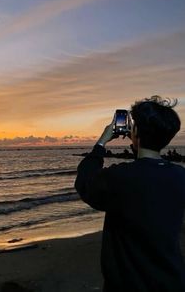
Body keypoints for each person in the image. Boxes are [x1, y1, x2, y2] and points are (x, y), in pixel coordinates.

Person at [75, 95, 185, 292]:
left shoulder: (120, 178)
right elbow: (149, 174)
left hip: (128, 283)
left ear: (134, 131)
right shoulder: (180, 175)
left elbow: (85, 182)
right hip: (171, 280)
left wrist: (101, 143)